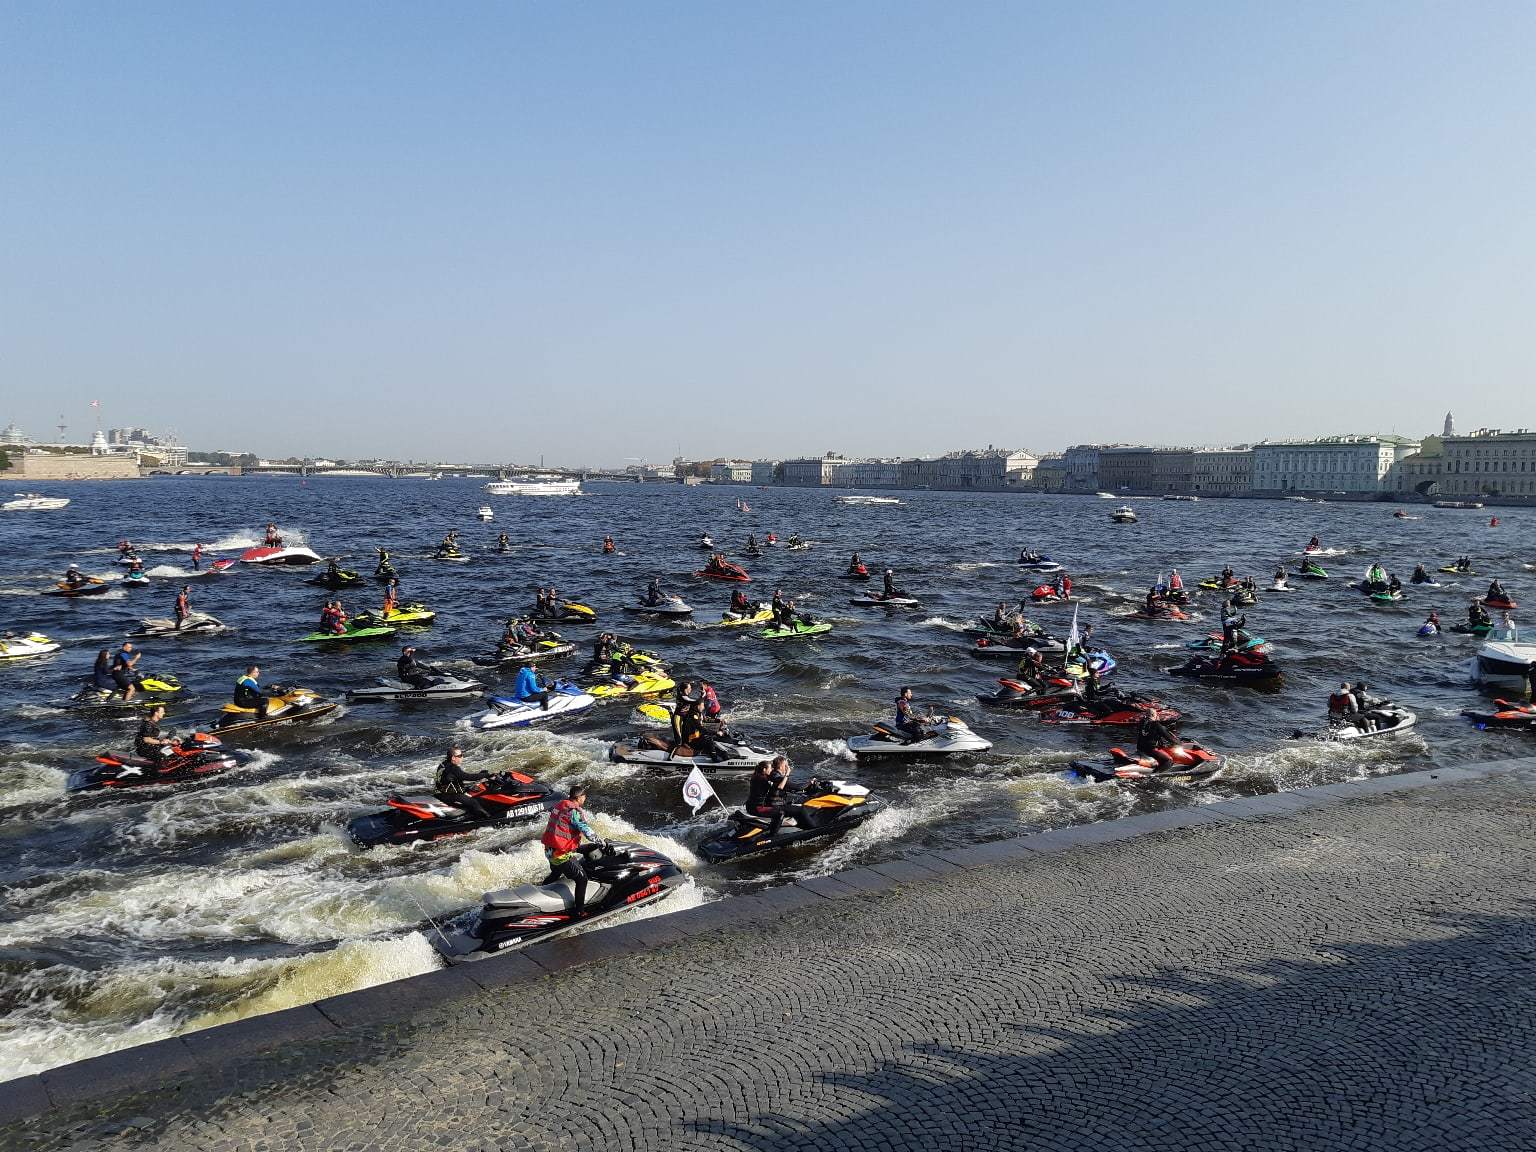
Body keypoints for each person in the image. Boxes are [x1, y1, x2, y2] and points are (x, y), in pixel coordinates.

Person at [541, 783, 602, 918]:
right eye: (584, 796)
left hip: (549, 850)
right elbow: (586, 829)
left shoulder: (560, 805)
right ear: (579, 797)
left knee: (556, 873)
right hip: (560, 855)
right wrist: (600, 842)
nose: (585, 799)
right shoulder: (574, 811)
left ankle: (540, 890)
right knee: (582, 879)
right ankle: (579, 911)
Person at [434, 746, 495, 821]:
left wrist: (479, 775)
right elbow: (467, 777)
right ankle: (489, 820)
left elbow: (452, 780)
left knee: (473, 792)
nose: (462, 757)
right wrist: (485, 775)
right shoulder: (453, 768)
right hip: (450, 795)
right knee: (474, 802)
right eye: (460, 756)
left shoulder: (443, 764)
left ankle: (471, 815)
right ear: (453, 758)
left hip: (440, 794)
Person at [746, 757, 793, 836]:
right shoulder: (763, 779)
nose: (772, 770)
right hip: (757, 808)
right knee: (780, 813)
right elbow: (780, 786)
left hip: (750, 805)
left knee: (776, 807)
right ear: (764, 770)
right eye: (770, 768)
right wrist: (787, 773)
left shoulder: (756, 776)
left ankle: (771, 826)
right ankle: (772, 835)